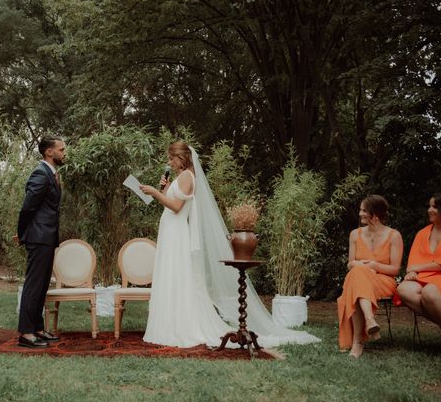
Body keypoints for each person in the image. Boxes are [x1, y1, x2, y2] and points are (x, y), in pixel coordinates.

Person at [139, 140, 319, 348]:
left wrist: (155, 192)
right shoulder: (181, 177)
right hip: (170, 231)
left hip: (177, 232)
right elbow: (172, 200)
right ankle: (168, 324)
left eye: (172, 158)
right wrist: (166, 187)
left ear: (182, 158)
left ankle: (178, 326)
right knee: (172, 275)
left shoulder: (188, 176)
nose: (169, 162)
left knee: (176, 275)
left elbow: (177, 207)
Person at [15, 136, 66, 348]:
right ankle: (26, 333)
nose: (64, 153)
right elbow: (28, 207)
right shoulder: (40, 173)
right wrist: (22, 233)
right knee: (34, 285)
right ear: (49, 152)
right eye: (61, 149)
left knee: (42, 284)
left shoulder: (50, 174)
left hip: (46, 236)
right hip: (38, 236)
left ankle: (36, 328)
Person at [336, 195, 403, 357]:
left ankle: (358, 342)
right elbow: (350, 263)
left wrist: (374, 266)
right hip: (359, 279)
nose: (360, 213)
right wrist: (362, 267)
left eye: (364, 210)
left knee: (357, 279)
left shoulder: (394, 236)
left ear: (376, 214)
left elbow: (395, 270)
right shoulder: (355, 234)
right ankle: (369, 320)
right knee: (357, 274)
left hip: (382, 280)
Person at [397, 193, 441, 332]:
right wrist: (411, 271)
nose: (429, 210)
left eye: (434, 206)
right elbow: (412, 264)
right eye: (429, 206)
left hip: (439, 277)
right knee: (403, 289)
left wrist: (418, 268)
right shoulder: (422, 233)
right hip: (423, 277)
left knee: (429, 291)